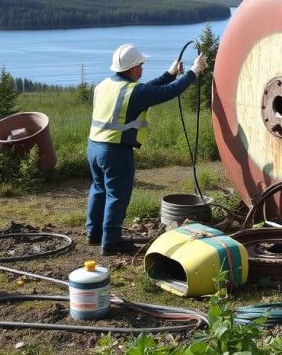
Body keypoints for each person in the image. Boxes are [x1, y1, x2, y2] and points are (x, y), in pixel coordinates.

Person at [87, 43, 208, 255]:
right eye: (141, 65)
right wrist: (194, 72)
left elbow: (147, 90)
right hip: (116, 151)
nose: (142, 69)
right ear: (133, 69)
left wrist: (170, 73)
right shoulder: (134, 91)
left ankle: (94, 234)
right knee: (117, 195)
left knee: (99, 190)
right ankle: (111, 242)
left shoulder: (104, 85)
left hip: (94, 148)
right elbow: (167, 92)